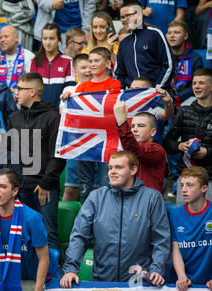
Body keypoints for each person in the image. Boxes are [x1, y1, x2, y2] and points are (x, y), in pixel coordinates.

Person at [60, 151, 170, 286]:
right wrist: (71, 269)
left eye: (119, 167)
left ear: (133, 170)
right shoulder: (96, 197)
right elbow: (80, 236)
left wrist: (157, 269)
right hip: (103, 283)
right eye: (110, 168)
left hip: (139, 283)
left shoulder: (152, 198)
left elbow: (161, 239)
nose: (112, 172)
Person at [9, 72, 65, 251]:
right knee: (22, 234)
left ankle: (54, 276)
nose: (16, 92)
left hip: (44, 189)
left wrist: (46, 183)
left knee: (47, 233)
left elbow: (58, 154)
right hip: (19, 187)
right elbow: (9, 153)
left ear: (32, 92)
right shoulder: (14, 118)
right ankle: (27, 274)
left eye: (19, 89)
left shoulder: (53, 117)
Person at [0, 168, 56, 291]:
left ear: (14, 191)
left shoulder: (32, 218)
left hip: (40, 281)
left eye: (2, 186)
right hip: (13, 280)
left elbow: (44, 259)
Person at [62, 47, 121, 204]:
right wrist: (68, 98)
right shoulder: (81, 87)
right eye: (90, 61)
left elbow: (111, 110)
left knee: (105, 182)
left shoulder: (115, 85)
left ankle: (105, 219)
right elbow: (75, 113)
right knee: (85, 186)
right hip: (84, 141)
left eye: (96, 61)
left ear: (108, 63)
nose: (92, 64)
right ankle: (86, 219)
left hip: (106, 142)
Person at [163, 68, 212, 205]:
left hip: (210, 178)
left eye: (201, 83)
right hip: (186, 178)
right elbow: (167, 142)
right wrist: (179, 145)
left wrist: (207, 152)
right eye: (194, 83)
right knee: (183, 220)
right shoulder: (184, 111)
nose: (196, 86)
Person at [167, 166, 212, 291]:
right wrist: (181, 276)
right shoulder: (175, 214)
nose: (184, 190)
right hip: (183, 282)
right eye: (182, 185)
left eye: (190, 185)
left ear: (204, 188)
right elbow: (176, 248)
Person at [115, 1, 175, 90]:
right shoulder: (123, 43)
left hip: (158, 94)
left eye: (127, 15)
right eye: (122, 17)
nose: (124, 20)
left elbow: (168, 65)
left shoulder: (155, 34)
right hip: (132, 96)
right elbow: (120, 74)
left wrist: (157, 88)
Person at [114, 102, 167, 194]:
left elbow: (134, 149)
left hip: (148, 204)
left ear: (153, 132)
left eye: (141, 126)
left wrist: (122, 122)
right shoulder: (128, 150)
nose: (134, 129)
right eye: (132, 126)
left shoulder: (157, 150)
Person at [60, 53, 92, 202]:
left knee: (96, 188)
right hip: (75, 145)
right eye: (83, 67)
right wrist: (67, 102)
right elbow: (62, 114)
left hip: (95, 144)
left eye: (91, 66)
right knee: (71, 188)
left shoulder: (103, 90)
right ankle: (68, 224)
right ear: (75, 71)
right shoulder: (70, 91)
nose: (88, 70)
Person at [31, 23, 76, 109]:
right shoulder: (34, 61)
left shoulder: (67, 61)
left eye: (51, 38)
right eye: (45, 38)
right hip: (38, 113)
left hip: (58, 112)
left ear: (59, 39)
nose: (48, 42)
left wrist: (62, 106)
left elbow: (70, 88)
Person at [166, 20, 204, 105]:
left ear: (185, 36)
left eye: (176, 32)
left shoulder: (195, 58)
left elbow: (197, 86)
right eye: (169, 33)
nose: (172, 36)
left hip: (187, 99)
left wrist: (177, 97)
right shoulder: (161, 57)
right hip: (165, 99)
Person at [0, 25, 35, 94]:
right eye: (0, 38)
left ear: (16, 38)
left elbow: (33, 84)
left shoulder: (29, 57)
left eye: (6, 36)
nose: (2, 40)